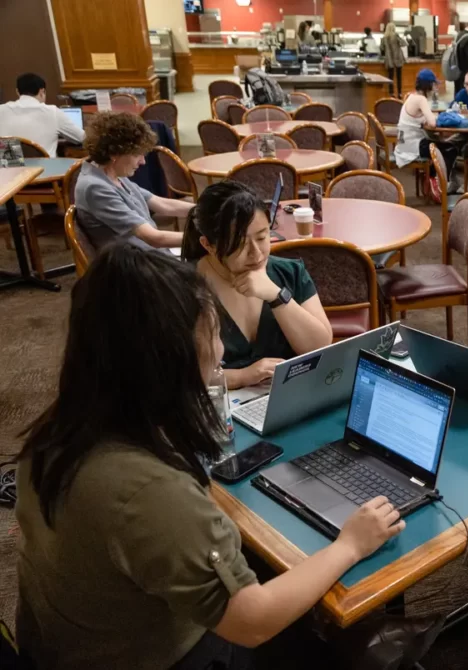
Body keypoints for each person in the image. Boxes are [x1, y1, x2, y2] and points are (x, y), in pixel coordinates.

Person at [14, 244, 404, 669]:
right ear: (168, 355)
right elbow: (251, 622)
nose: (220, 352)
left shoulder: (61, 428)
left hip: (66, 643)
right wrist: (349, 545)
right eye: (213, 334)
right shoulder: (146, 489)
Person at [181, 181, 332, 391]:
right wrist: (243, 376)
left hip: (289, 396)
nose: (257, 253)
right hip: (219, 407)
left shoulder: (288, 272)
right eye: (240, 244)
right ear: (208, 245)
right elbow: (176, 375)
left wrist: (276, 296)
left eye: (262, 237)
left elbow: (320, 347)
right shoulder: (182, 287)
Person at [75, 111, 192, 253]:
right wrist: (205, 239)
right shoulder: (95, 188)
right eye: (137, 154)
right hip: (134, 266)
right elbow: (154, 238)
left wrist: (205, 210)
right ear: (114, 153)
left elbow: (162, 204)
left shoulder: (113, 174)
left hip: (146, 255)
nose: (143, 161)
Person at [395, 68, 462, 194]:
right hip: (412, 146)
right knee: (450, 149)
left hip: (404, 143)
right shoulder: (421, 100)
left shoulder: (411, 96)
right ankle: (441, 183)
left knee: (439, 145)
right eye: (434, 84)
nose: (436, 87)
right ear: (429, 85)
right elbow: (432, 123)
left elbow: (424, 120)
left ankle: (433, 178)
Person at [0, 73, 84, 156]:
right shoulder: (52, 112)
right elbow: (82, 138)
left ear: (17, 92)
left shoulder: (1, 110)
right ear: (42, 91)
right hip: (46, 169)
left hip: (8, 168)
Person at [381, 23, 406, 96]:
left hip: (389, 59)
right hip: (397, 57)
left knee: (390, 77)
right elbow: (404, 44)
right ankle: (399, 93)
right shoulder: (396, 35)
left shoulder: (384, 38)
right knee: (399, 76)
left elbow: (382, 48)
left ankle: (391, 93)